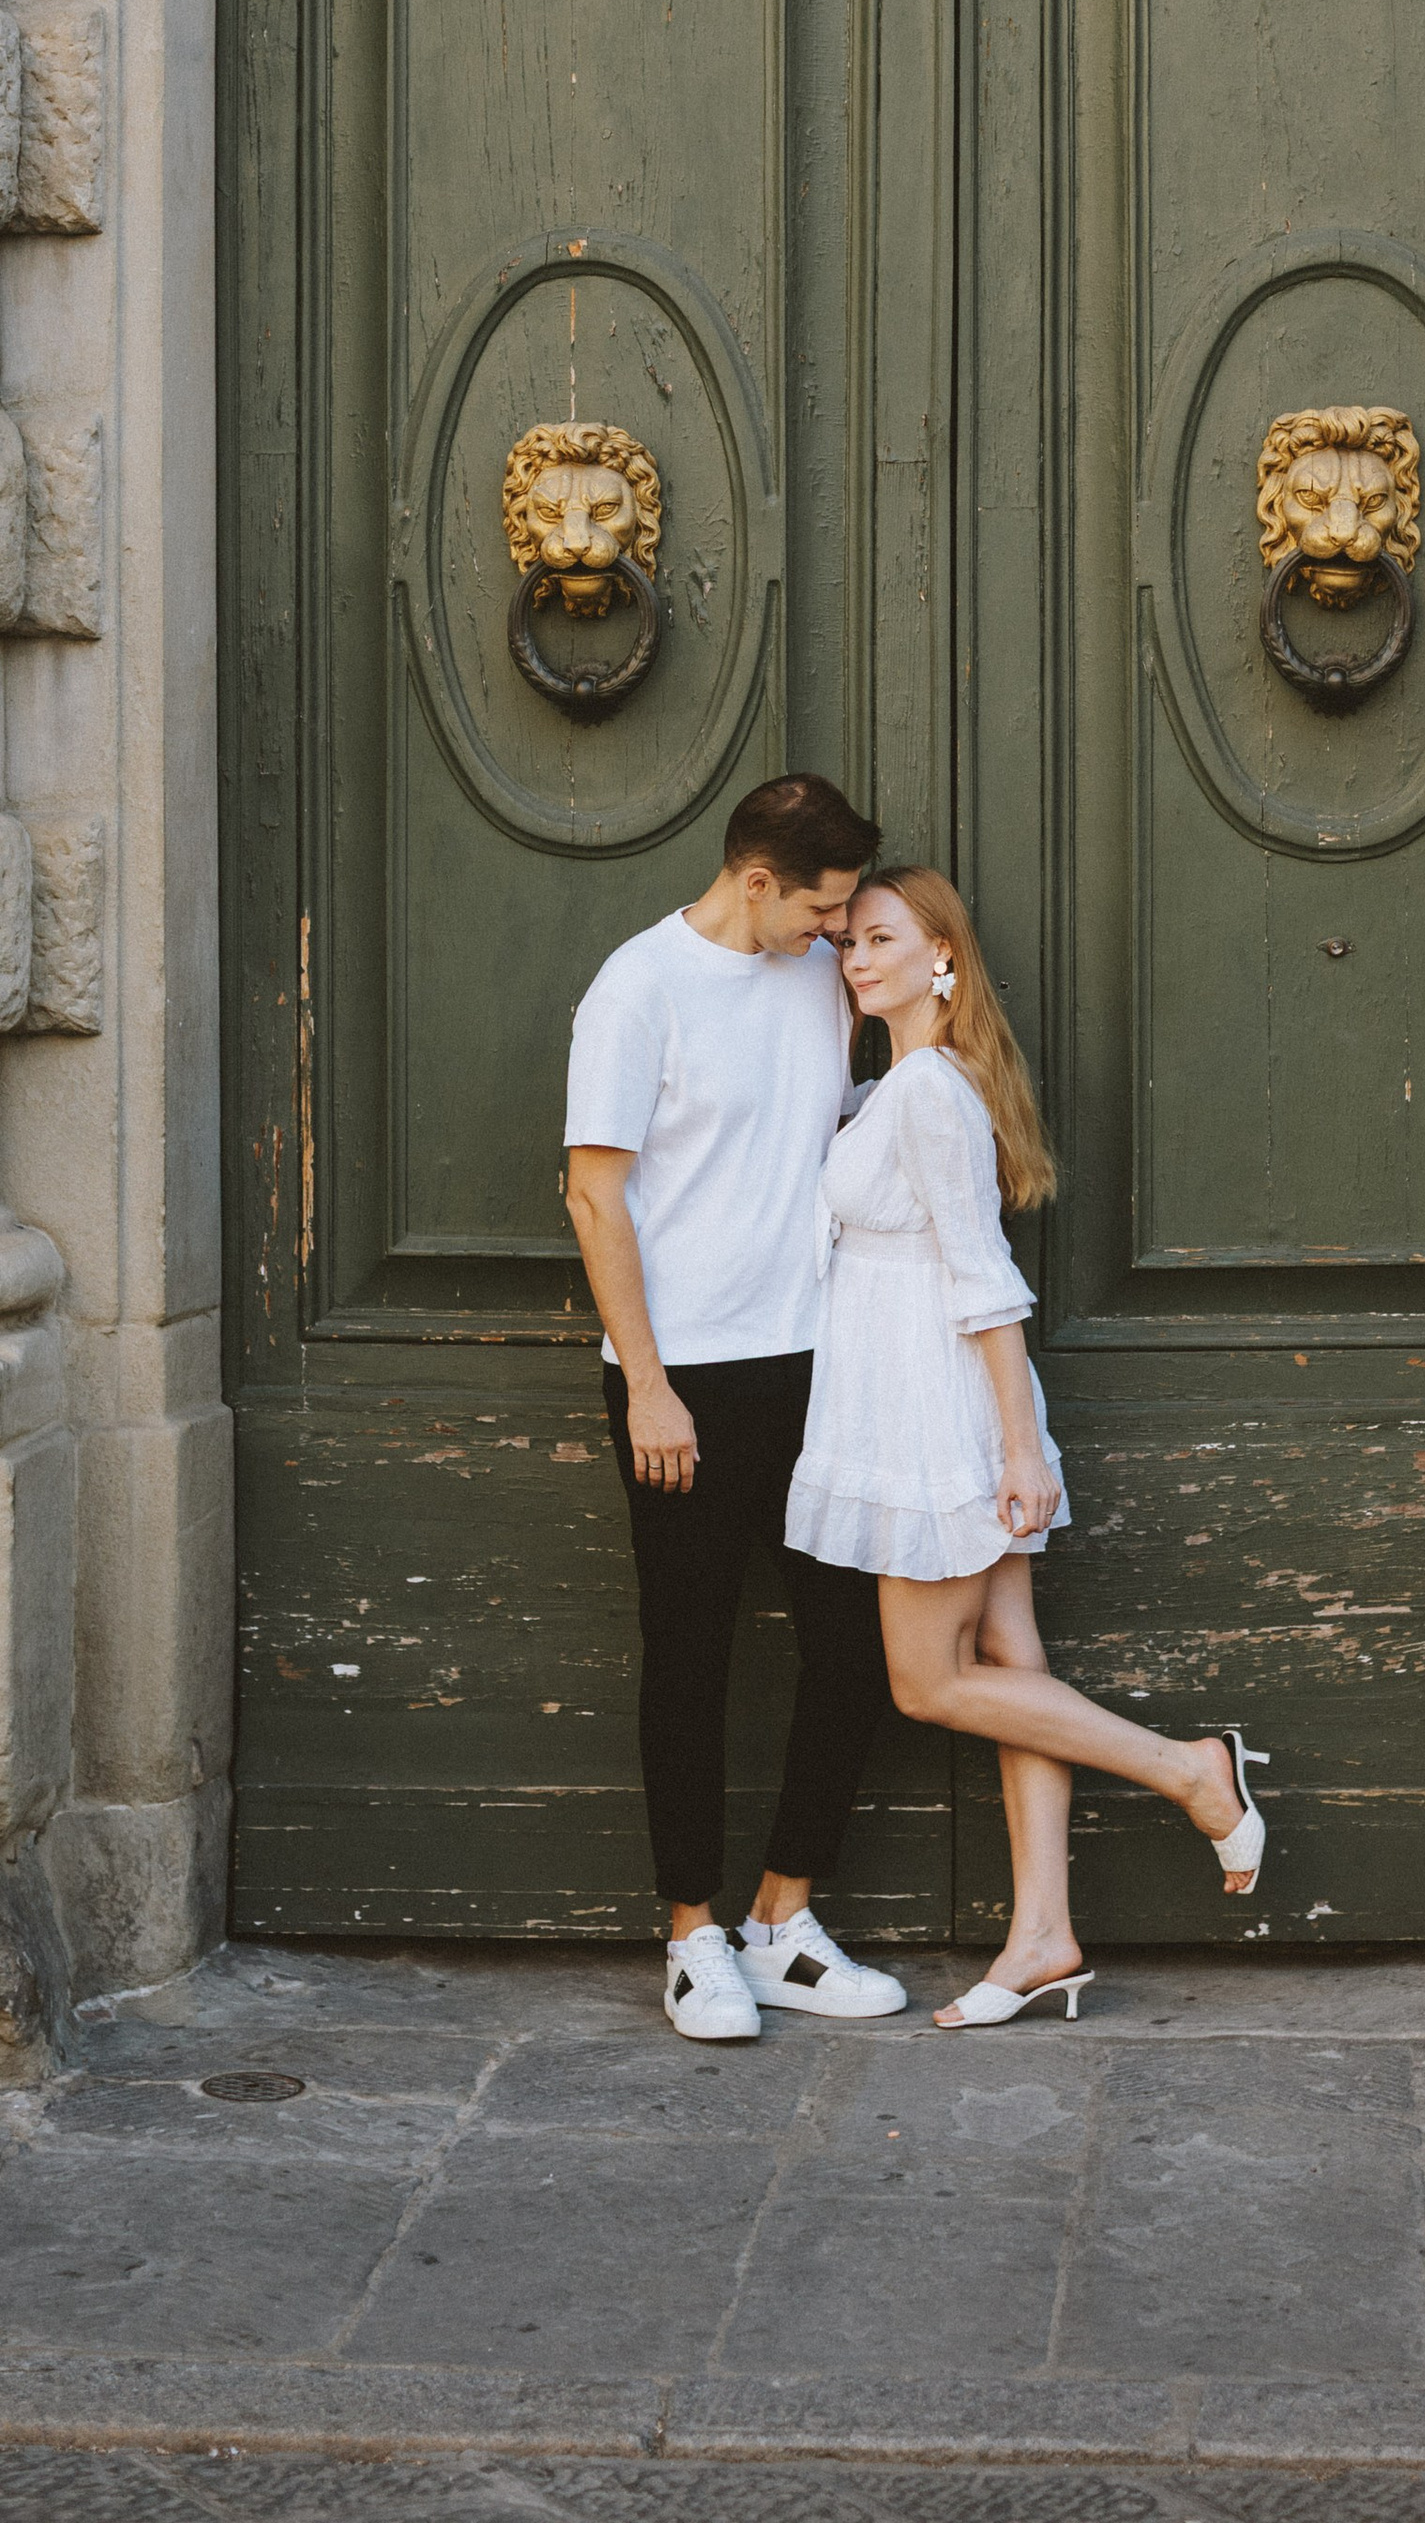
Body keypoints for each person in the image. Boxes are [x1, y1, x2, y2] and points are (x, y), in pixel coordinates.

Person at [787, 868, 1269, 2028]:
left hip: (935, 1417)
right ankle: (1044, 1932)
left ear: (942, 955)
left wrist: (1018, 1450)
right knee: (1012, 1665)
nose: (856, 959)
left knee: (928, 1681)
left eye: (881, 938)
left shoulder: (926, 1095)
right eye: (848, 942)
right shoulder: (895, 1087)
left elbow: (981, 1279)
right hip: (911, 1401)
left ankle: (1189, 1769)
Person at [564, 771, 910, 2045]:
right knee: (690, 1657)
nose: (836, 930)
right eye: (818, 908)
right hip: (684, 1381)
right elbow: (594, 1193)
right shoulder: (638, 988)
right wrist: (648, 1383)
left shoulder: (820, 972)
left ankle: (781, 1920)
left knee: (855, 1651)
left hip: (820, 1362)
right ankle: (691, 1935)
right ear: (756, 881)